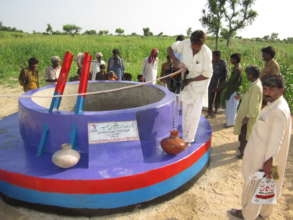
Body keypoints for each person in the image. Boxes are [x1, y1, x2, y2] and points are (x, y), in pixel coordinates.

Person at [229, 75, 291, 220]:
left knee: (255, 187)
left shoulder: (278, 111)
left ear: (281, 90)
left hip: (264, 160)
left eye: (272, 90)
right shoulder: (276, 104)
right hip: (270, 160)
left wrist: (268, 163)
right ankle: (264, 214)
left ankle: (247, 215)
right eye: (265, 89)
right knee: (270, 186)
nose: (267, 92)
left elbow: (277, 140)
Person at [167, 30, 213, 144]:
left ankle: (189, 139)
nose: (194, 49)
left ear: (202, 44)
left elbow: (207, 74)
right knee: (186, 111)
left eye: (197, 47)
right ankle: (184, 136)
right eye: (193, 46)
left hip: (199, 85)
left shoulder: (206, 53)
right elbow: (170, 48)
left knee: (194, 114)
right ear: (191, 41)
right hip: (186, 82)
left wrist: (190, 80)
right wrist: (175, 59)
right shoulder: (185, 43)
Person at [234, 66, 263, 158]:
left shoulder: (256, 87)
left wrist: (247, 117)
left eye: (247, 74)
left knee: (245, 135)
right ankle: (243, 149)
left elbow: (254, 104)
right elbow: (249, 98)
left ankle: (244, 153)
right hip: (247, 115)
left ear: (252, 75)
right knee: (244, 134)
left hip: (249, 117)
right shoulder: (254, 84)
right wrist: (241, 96)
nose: (246, 76)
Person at [223, 53, 242, 127]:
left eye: (232, 59)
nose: (230, 60)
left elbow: (231, 81)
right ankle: (230, 122)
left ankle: (230, 123)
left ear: (236, 60)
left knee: (232, 107)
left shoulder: (237, 69)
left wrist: (223, 86)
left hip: (234, 90)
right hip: (233, 90)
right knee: (231, 107)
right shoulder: (236, 67)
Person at [207, 50, 227, 117]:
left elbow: (225, 75)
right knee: (210, 96)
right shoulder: (210, 62)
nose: (213, 57)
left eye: (214, 56)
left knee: (217, 97)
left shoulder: (223, 63)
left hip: (219, 82)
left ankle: (215, 110)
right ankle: (209, 111)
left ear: (218, 56)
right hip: (212, 82)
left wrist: (221, 85)